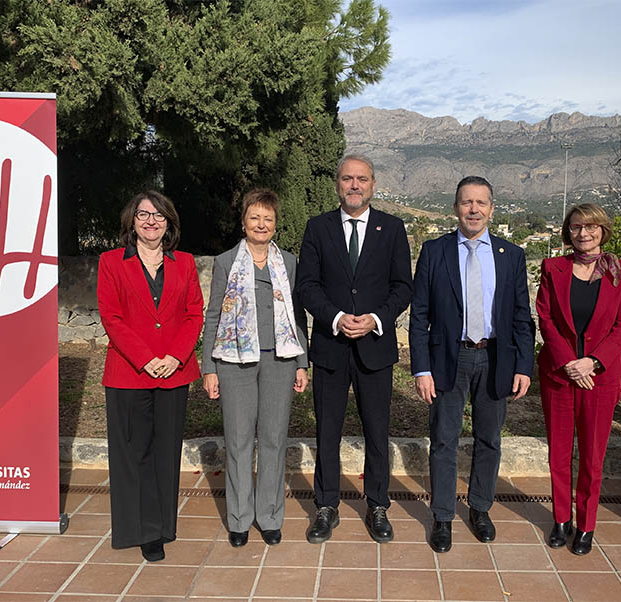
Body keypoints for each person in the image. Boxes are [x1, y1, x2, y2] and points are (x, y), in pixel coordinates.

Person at [409, 176, 535, 553]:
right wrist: (421, 369)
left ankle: (480, 508)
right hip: (450, 357)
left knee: (489, 440)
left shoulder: (511, 255)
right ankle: (443, 516)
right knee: (444, 439)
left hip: (496, 357)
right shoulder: (435, 252)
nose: (474, 209)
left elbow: (520, 317)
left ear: (492, 209)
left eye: (481, 203)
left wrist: (524, 366)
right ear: (455, 208)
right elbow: (420, 316)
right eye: (467, 202)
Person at [295, 154, 413, 544]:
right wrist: (337, 317)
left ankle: (377, 504)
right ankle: (326, 506)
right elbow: (307, 286)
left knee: (377, 432)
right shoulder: (317, 228)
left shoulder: (393, 229)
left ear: (373, 185)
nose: (355, 185)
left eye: (362, 179)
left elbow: (403, 287)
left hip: (375, 348)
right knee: (327, 431)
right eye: (347, 178)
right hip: (331, 345)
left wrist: (376, 319)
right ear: (337, 184)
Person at [97, 190, 204, 562]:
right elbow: (111, 317)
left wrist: (174, 357)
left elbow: (194, 315)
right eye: (144, 214)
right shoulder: (111, 262)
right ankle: (140, 530)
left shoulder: (185, 263)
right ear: (132, 221)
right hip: (129, 372)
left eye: (159, 215)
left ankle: (162, 526)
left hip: (174, 373)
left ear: (169, 223)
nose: (151, 221)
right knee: (134, 452)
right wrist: (146, 359)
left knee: (165, 452)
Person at [201, 188, 309, 547]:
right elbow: (214, 313)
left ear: (275, 224)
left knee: (275, 440)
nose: (261, 224)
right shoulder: (225, 261)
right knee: (238, 441)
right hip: (234, 362)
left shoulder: (289, 263)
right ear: (243, 221)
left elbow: (297, 318)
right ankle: (239, 519)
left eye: (268, 218)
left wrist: (301, 363)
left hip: (280, 361)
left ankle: (270, 516)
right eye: (254, 217)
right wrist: (209, 367)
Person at [536, 203, 621, 555]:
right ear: (568, 231)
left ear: (602, 230)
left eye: (591, 227)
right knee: (559, 454)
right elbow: (545, 319)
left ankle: (586, 525)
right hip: (560, 376)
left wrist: (592, 362)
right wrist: (569, 363)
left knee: (593, 456)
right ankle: (561, 519)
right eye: (577, 227)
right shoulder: (553, 267)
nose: (584, 233)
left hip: (601, 378)